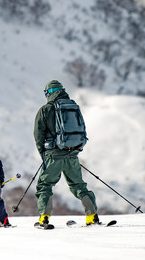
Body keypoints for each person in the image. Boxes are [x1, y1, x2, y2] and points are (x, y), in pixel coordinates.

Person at [33, 80, 98, 228]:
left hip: (53, 155)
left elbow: (38, 135)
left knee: (45, 185)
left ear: (48, 93)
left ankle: (44, 218)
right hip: (72, 153)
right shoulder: (73, 107)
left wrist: (43, 154)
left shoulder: (45, 110)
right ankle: (92, 216)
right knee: (79, 185)